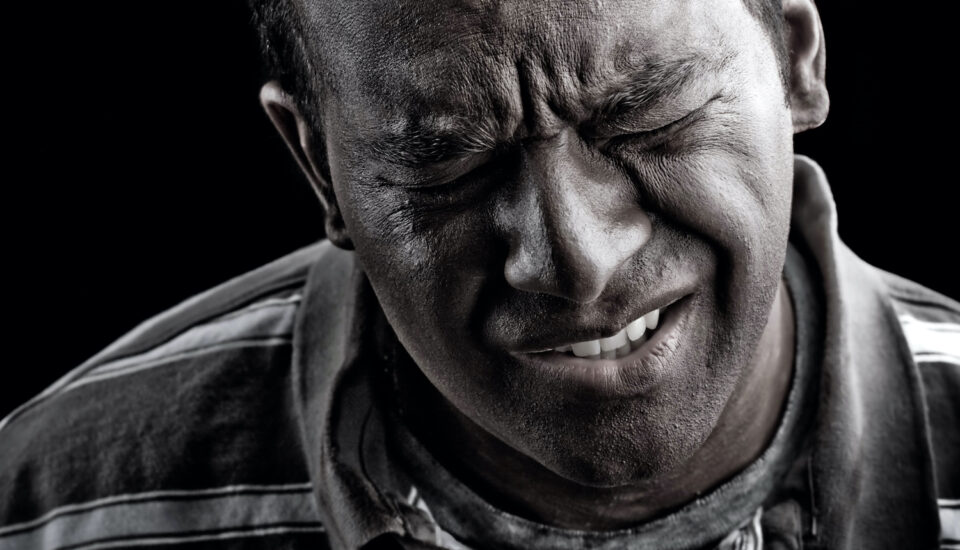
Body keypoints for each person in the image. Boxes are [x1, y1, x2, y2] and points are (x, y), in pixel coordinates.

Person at [1, 0, 957, 548]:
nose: (576, 260)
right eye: (445, 161)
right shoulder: (50, 509)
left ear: (794, 61)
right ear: (316, 163)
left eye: (645, 115)